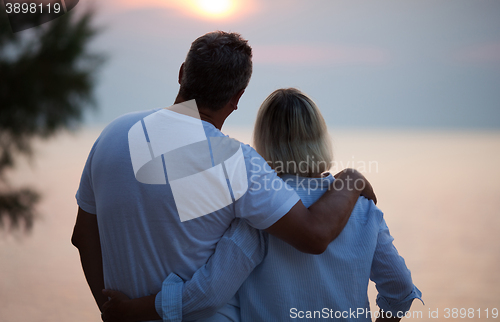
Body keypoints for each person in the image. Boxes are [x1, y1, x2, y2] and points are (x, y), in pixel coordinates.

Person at [71, 31, 376, 322]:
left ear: (182, 73)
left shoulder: (113, 134)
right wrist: (352, 179)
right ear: (237, 97)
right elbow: (314, 235)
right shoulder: (237, 163)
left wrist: (112, 310)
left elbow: (83, 236)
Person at [101, 89, 422, 322]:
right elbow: (399, 289)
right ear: (321, 138)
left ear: (264, 141)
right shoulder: (363, 209)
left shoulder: (261, 214)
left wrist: (132, 310)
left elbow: (207, 295)